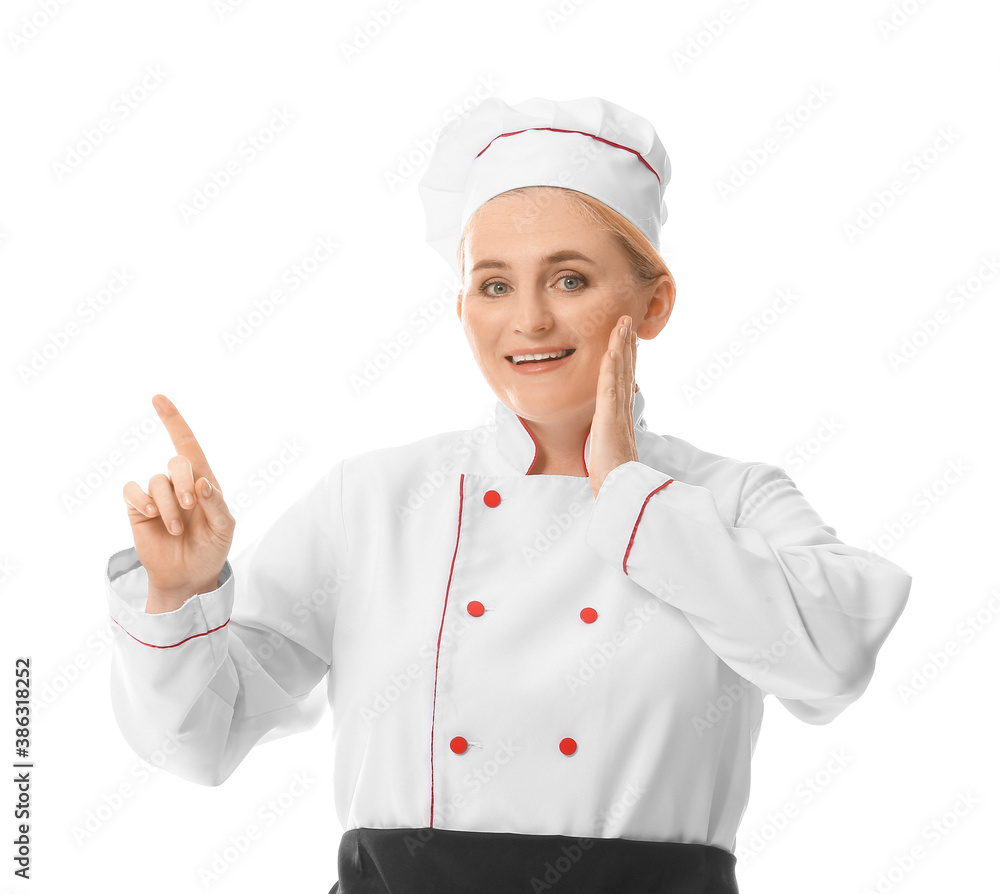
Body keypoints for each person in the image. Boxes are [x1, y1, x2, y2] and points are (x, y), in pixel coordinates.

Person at [106, 96, 912, 893]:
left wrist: (631, 493)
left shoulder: (731, 499)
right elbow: (198, 745)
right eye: (493, 286)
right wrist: (180, 591)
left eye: (569, 278)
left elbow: (832, 663)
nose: (528, 319)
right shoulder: (374, 501)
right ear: (461, 309)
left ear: (653, 303)